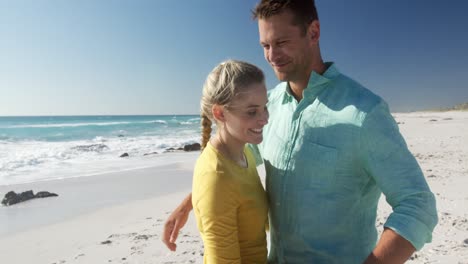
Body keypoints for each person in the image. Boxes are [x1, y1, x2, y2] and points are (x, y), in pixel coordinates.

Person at [163, 1, 438, 263]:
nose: (272, 56)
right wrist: (191, 202)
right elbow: (237, 160)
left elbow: (418, 206)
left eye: (281, 42)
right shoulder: (266, 108)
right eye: (265, 45)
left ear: (313, 32)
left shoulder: (364, 112)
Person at [191, 60, 269, 263]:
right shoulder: (216, 177)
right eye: (252, 112)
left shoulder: (245, 154)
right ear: (219, 113)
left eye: (264, 108)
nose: (264, 119)